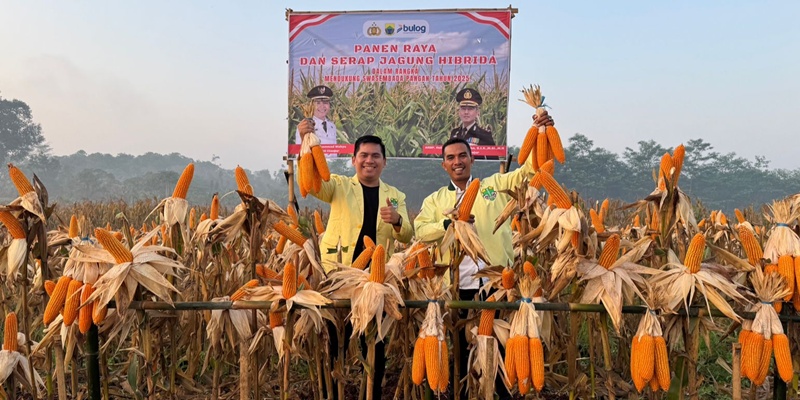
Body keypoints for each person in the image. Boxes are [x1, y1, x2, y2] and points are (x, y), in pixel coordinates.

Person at [414, 112, 553, 399]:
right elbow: (421, 229)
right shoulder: (436, 200)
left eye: (462, 156)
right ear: (444, 165)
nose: (457, 161)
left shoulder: (492, 188)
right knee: (461, 355)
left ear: (472, 159)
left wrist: (540, 133)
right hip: (455, 290)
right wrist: (448, 224)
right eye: (451, 158)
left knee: (498, 351)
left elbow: (529, 171)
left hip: (495, 287)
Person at [296, 126, 413, 400]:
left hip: (376, 282)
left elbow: (408, 233)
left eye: (375, 156)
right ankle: (334, 390)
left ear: (385, 161)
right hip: (340, 276)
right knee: (336, 338)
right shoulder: (337, 185)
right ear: (354, 160)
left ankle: (371, 390)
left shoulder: (396, 195)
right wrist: (307, 144)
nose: (369, 160)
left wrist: (396, 220)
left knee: (375, 341)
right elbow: (313, 184)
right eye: (363, 155)